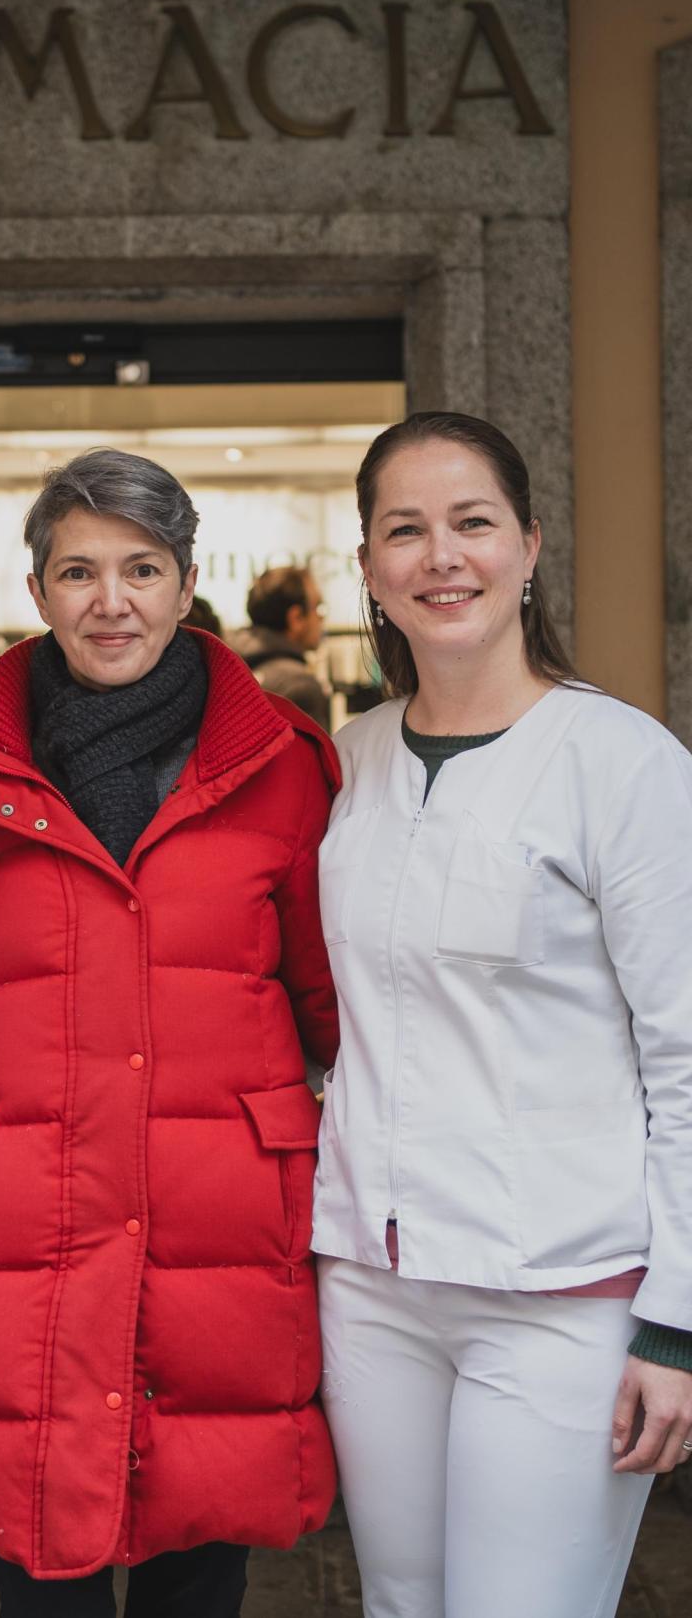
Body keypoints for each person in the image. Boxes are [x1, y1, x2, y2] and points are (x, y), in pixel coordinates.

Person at [0, 448, 340, 1616]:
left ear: (186, 580)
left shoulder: (283, 769)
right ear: (36, 590)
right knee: (36, 1557)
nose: (111, 601)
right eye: (78, 570)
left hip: (221, 1228)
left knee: (198, 1562)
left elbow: (334, 1011)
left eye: (140, 568)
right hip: (21, 1225)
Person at [312, 412, 692, 1618]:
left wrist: (675, 1326)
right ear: (367, 567)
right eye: (404, 530)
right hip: (373, 1288)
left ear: (527, 547)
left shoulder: (618, 760)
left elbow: (685, 1052)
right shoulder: (352, 758)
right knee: (398, 1603)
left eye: (470, 523)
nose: (441, 556)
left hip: (561, 1294)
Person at [230, 565, 330, 728]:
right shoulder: (300, 686)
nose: (321, 619)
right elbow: (309, 754)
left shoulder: (228, 671)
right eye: (318, 608)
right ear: (296, 617)